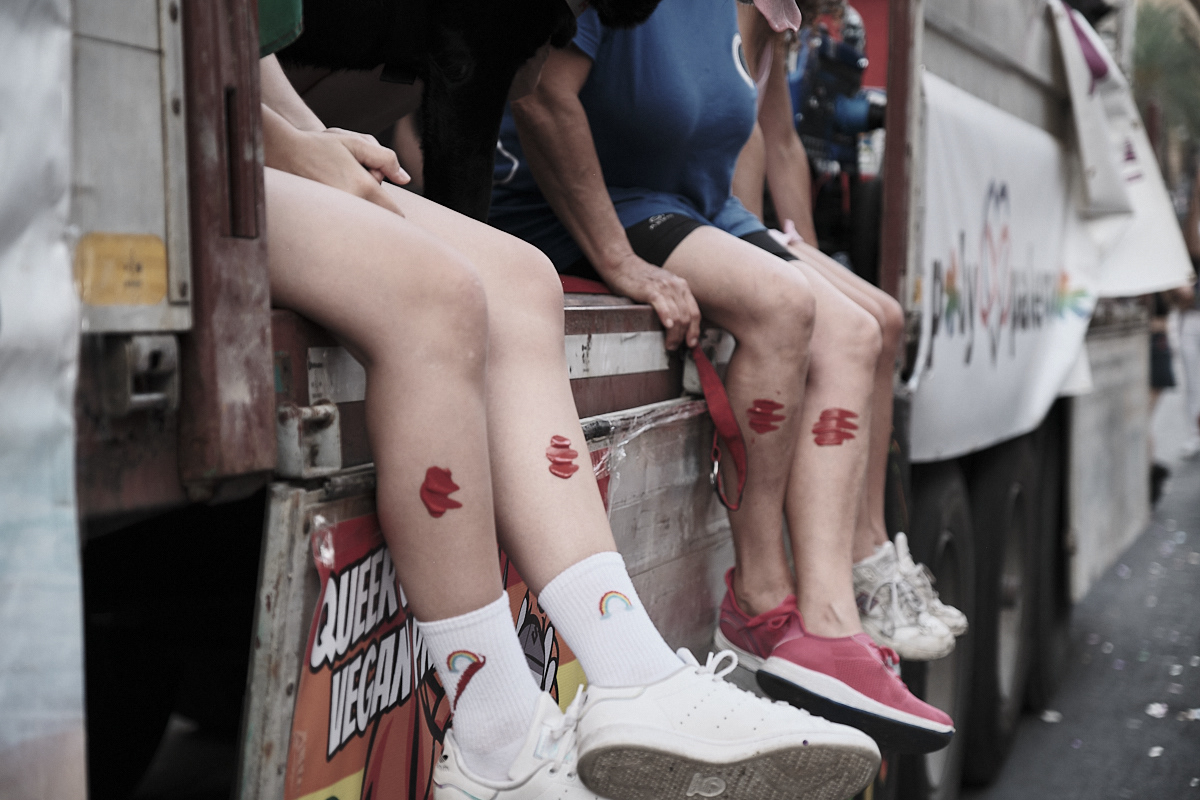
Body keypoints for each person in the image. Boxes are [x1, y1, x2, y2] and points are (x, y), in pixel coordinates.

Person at [256, 1, 880, 798]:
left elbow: (243, 46)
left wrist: (306, 135)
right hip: (192, 149)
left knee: (525, 281)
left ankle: (632, 671)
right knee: (439, 294)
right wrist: (282, 143)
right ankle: (493, 739)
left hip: (257, 127)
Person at [490, 0, 953, 753]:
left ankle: (831, 619)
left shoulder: (747, 12)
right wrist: (617, 260)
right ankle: (760, 601)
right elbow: (538, 93)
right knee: (781, 305)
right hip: (590, 203)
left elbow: (757, 138)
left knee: (856, 331)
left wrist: (776, 240)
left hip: (691, 206)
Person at [730, 7, 967, 662]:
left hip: (750, 230)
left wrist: (805, 252)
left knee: (885, 318)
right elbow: (735, 139)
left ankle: (873, 550)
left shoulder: (774, 25)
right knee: (856, 328)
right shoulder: (729, 17)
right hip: (720, 225)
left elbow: (781, 140)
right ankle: (852, 565)